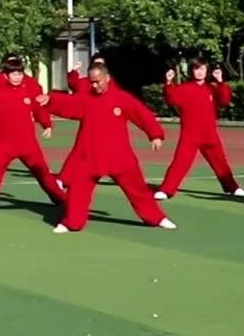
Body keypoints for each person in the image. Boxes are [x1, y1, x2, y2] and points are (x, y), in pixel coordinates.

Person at [39, 64, 173, 233]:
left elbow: (141, 113)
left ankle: (157, 218)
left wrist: (155, 134)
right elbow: (69, 104)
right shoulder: (86, 99)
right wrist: (50, 100)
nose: (95, 86)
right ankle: (71, 222)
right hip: (90, 155)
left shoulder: (121, 98)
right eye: (92, 82)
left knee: (138, 189)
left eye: (98, 82)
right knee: (77, 191)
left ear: (107, 78)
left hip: (119, 155)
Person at [0, 57, 62, 212]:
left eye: (20, 73)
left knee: (42, 172)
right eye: (14, 74)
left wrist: (46, 124)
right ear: (6, 75)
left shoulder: (28, 90)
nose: (17, 77)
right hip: (1, 144)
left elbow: (38, 108)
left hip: (27, 143)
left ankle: (60, 199)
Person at [154, 60, 244, 201]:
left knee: (220, 163)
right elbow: (171, 99)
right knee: (180, 163)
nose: (199, 72)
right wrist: (168, 83)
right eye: (196, 69)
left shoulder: (212, 88)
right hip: (190, 135)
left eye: (202, 69)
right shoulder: (184, 88)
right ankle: (166, 190)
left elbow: (224, 100)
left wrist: (220, 81)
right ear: (192, 71)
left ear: (207, 71)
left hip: (209, 135)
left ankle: (233, 188)